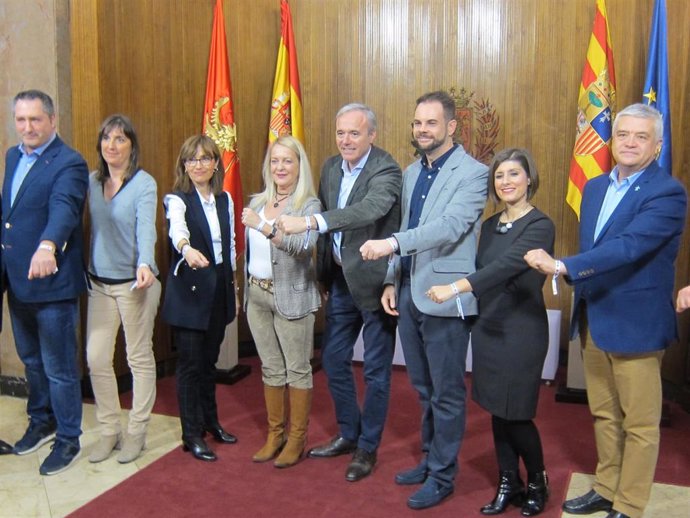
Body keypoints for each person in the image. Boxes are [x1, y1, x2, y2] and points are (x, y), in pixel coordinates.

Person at [525, 103, 687, 518]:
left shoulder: (667, 192)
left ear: (658, 144)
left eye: (641, 136)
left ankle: (629, 505)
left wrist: (563, 266)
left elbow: (629, 247)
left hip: (635, 323)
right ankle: (607, 487)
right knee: (603, 414)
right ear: (612, 140)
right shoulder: (595, 187)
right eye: (623, 135)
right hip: (594, 316)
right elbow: (599, 250)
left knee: (640, 422)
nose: (630, 143)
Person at [360, 90, 488, 509]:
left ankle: (443, 475)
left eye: (431, 123)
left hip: (446, 297)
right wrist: (391, 279)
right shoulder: (412, 172)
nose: (422, 130)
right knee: (422, 386)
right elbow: (407, 224)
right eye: (417, 123)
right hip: (410, 293)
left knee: (447, 392)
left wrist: (390, 245)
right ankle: (430, 458)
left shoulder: (474, 174)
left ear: (451, 127)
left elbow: (450, 227)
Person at [276, 103, 401, 482]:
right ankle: (349, 433)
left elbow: (367, 211)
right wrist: (325, 275)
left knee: (377, 373)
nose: (346, 140)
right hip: (342, 283)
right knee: (332, 360)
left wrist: (310, 221)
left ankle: (368, 448)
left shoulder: (387, 169)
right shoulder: (331, 166)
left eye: (355, 133)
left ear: (372, 135)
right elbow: (333, 230)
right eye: (341, 132)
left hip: (376, 285)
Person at [427, 148, 554, 516]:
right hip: (488, 327)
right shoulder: (489, 225)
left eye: (514, 174)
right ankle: (507, 481)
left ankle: (537, 481)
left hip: (521, 331)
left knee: (517, 413)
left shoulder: (540, 225)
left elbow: (504, 268)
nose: (506, 182)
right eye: (499, 176)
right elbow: (480, 265)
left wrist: (454, 289)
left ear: (529, 178)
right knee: (497, 411)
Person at [1, 89, 89, 475]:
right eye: (21, 120)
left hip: (52, 283)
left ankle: (68, 437)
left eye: (35, 119)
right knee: (31, 361)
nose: (27, 128)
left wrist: (48, 244)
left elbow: (64, 208)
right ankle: (41, 421)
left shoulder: (69, 162)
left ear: (52, 120)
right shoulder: (12, 156)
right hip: (17, 281)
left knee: (59, 367)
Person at [240, 135, 321, 468]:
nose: (280, 167)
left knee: (297, 371)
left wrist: (266, 228)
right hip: (256, 296)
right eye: (275, 161)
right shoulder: (259, 202)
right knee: (271, 369)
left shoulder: (309, 205)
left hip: (292, 295)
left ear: (299, 165)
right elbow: (247, 255)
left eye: (288, 160)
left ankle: (297, 438)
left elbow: (304, 248)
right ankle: (276, 434)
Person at [85, 114, 161, 464]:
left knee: (138, 357)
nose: (111, 146)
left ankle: (136, 431)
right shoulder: (91, 181)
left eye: (120, 139)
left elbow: (147, 227)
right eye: (106, 139)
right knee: (97, 357)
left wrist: (145, 262)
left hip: (135, 283)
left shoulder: (144, 183)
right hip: (99, 283)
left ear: (132, 145)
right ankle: (109, 429)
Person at [161, 135, 239, 462]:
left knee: (210, 362)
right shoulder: (177, 199)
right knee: (191, 367)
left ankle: (211, 422)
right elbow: (176, 230)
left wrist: (233, 283)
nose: (198, 165)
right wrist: (186, 248)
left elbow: (231, 243)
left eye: (205, 158)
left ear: (215, 163)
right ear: (184, 165)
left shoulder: (225, 199)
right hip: (191, 291)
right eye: (191, 159)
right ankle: (191, 434)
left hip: (219, 286)